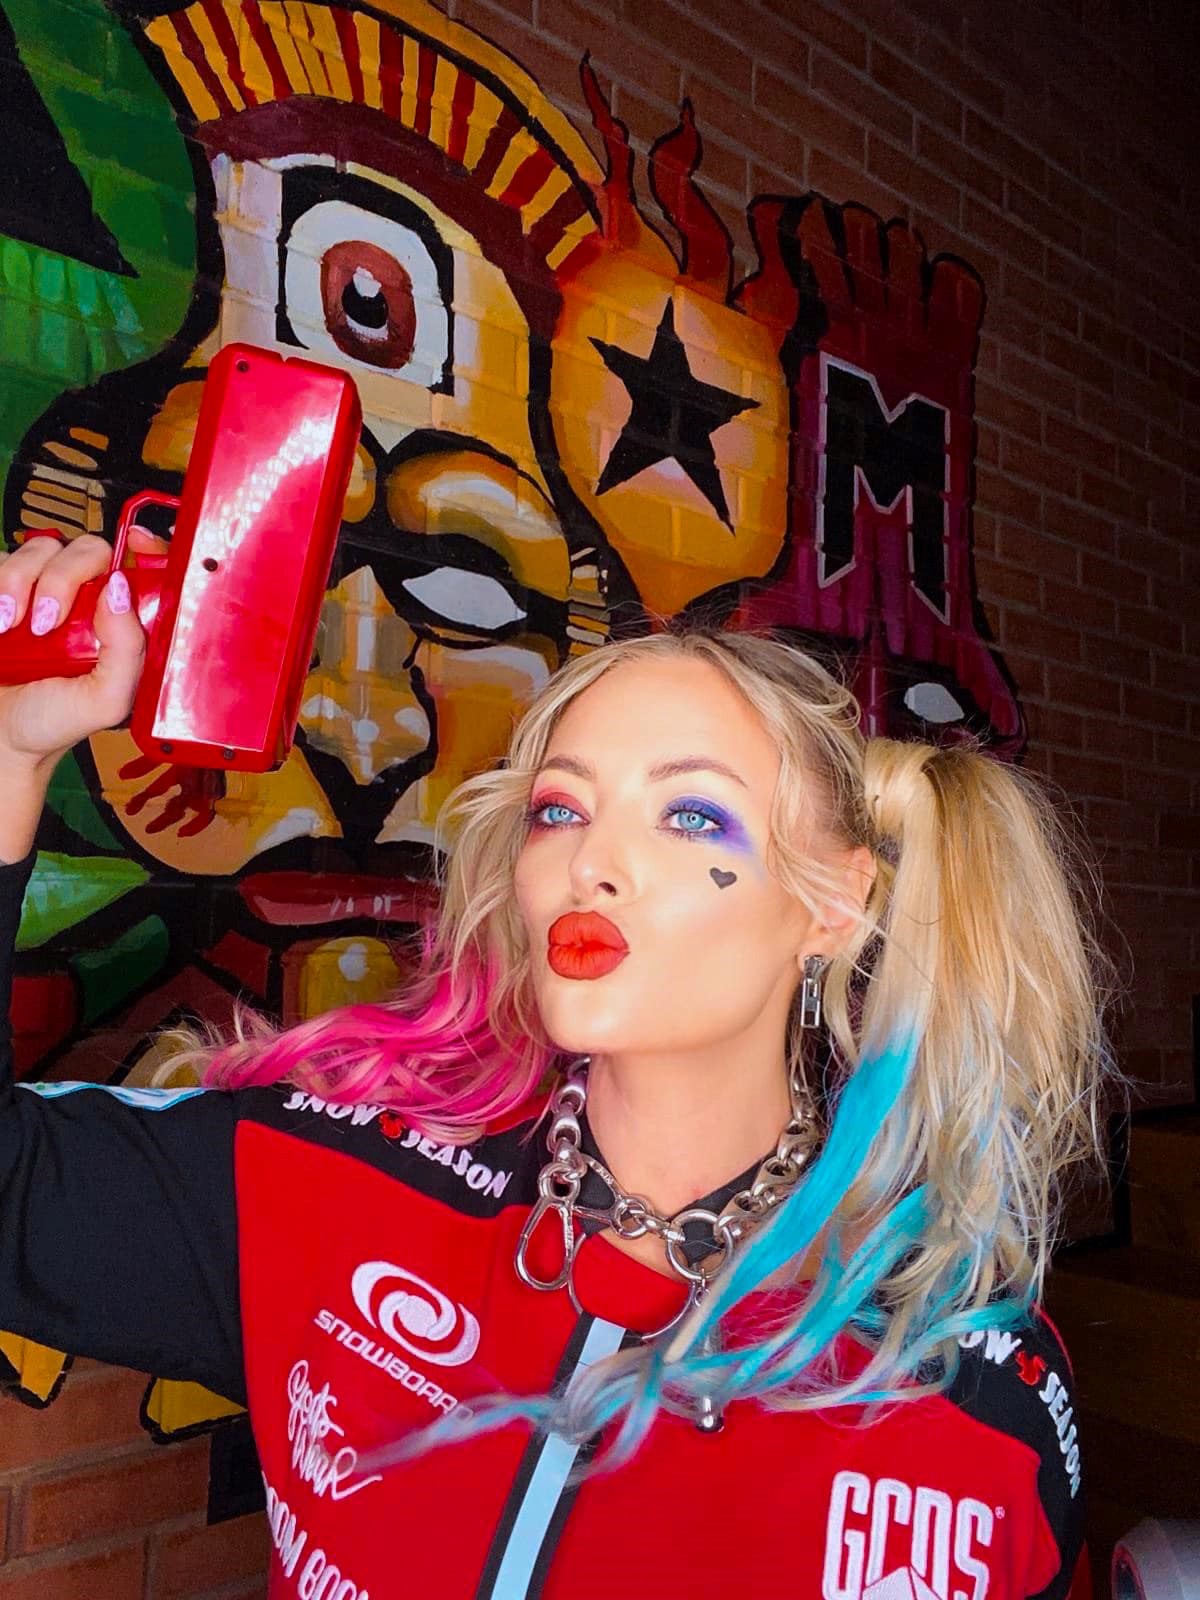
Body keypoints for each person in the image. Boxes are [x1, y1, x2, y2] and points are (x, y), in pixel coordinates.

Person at [0, 531, 1108, 1600]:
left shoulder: (969, 1394)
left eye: (690, 815)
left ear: (835, 904)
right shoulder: (334, 1184)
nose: (592, 864)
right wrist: (9, 753)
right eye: (560, 809)